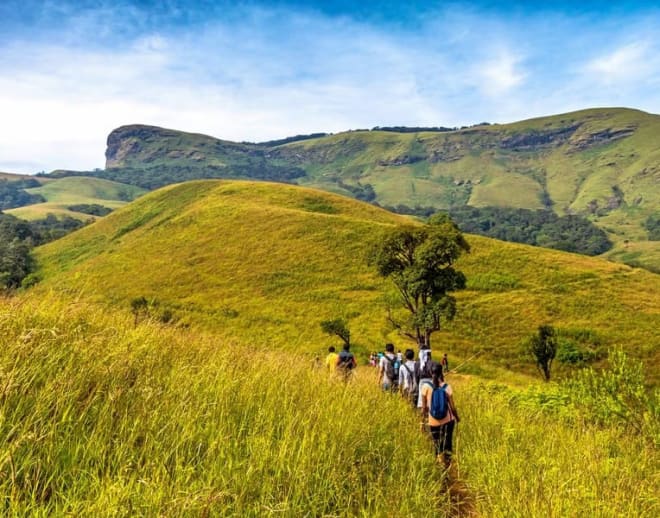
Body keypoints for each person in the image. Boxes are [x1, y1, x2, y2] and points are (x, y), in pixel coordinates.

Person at [420, 362, 460, 467]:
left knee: (437, 443)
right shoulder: (447, 387)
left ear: (430, 372)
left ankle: (439, 464)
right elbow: (453, 408)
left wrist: (422, 422)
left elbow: (424, 408)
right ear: (441, 372)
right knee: (448, 442)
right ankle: (448, 466)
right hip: (448, 421)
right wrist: (457, 418)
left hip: (433, 421)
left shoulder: (425, 387)